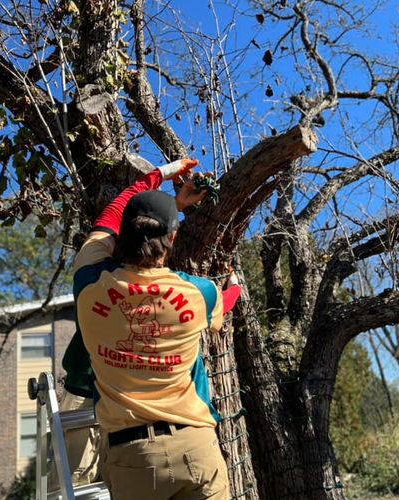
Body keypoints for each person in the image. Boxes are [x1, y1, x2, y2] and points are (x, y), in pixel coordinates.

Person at [65, 159, 241, 499]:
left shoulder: (88, 284)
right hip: (196, 446)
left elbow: (108, 218)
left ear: (120, 236)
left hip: (132, 457)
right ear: (173, 238)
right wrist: (234, 286)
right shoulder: (198, 294)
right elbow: (227, 301)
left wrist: (160, 174)